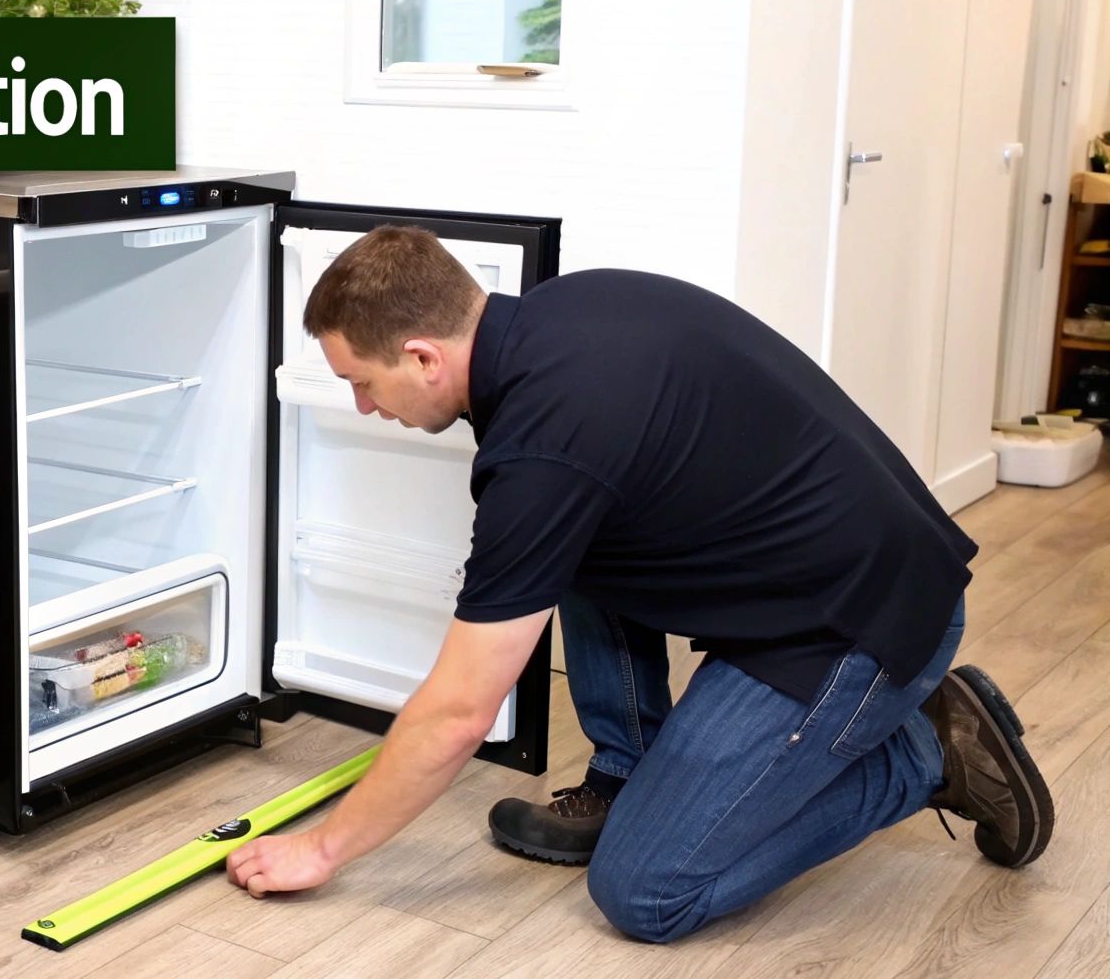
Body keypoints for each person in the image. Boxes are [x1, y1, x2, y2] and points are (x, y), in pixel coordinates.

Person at [224, 226, 1055, 943]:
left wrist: (323, 848)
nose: (365, 407)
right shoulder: (566, 312)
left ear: (423, 356)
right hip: (828, 570)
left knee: (646, 892)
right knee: (572, 544)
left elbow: (457, 714)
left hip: (857, 628)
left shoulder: (544, 453)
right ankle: (629, 774)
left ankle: (927, 752)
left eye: (362, 383)